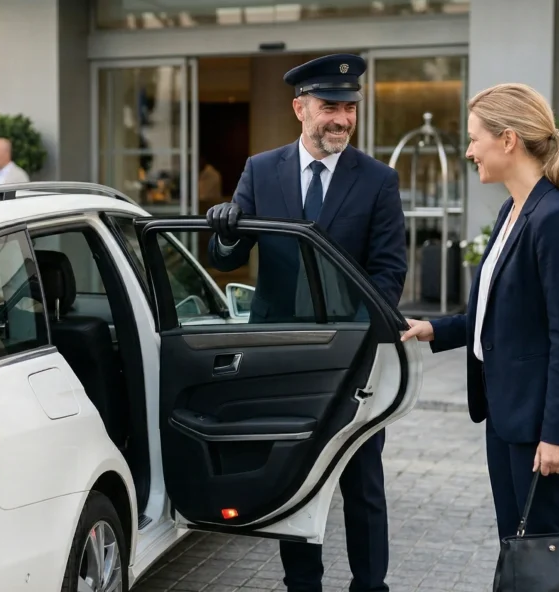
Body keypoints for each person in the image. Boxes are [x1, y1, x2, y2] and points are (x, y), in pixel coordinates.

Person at [206, 53, 407, 592]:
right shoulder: (260, 169)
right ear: (300, 109)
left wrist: (356, 338)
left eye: (349, 108)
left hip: (353, 359)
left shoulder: (378, 180)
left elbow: (390, 272)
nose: (341, 119)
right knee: (295, 478)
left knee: (363, 482)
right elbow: (226, 258)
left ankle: (371, 586)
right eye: (329, 107)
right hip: (285, 357)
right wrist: (226, 229)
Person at [402, 83, 559, 543]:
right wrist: (433, 328)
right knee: (517, 547)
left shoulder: (555, 218)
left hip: (542, 422)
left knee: (544, 552)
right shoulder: (513, 209)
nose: (470, 151)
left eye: (475, 139)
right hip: (508, 410)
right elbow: (499, 312)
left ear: (508, 139)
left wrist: (557, 435)